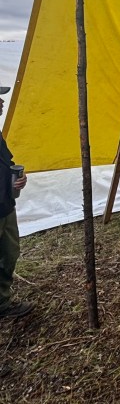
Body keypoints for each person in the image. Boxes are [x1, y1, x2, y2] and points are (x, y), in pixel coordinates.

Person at [0, 83, 31, 319]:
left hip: (5, 206)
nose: (2, 103)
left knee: (10, 252)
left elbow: (8, 164)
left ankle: (2, 302)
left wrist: (16, 179)